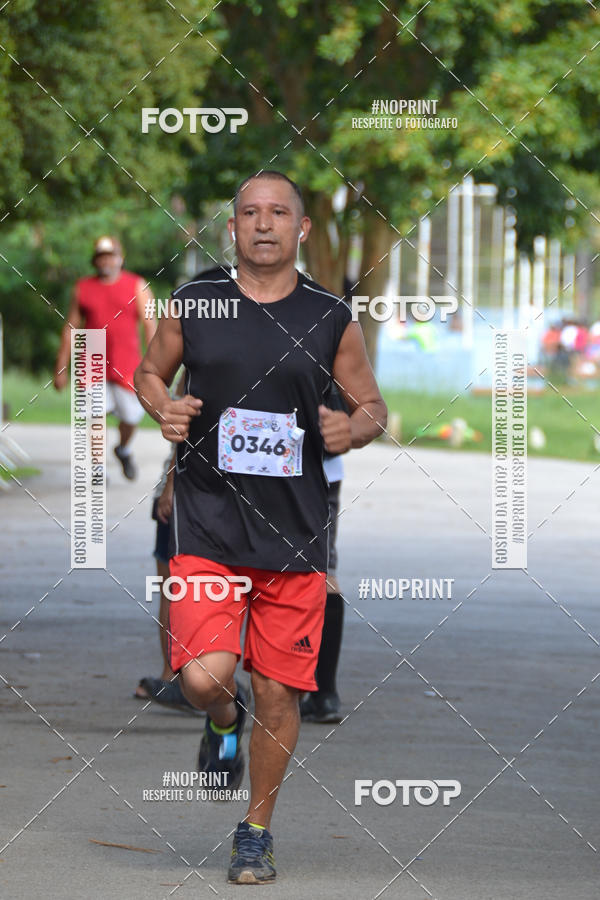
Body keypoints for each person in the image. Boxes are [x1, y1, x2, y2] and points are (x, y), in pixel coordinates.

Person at [134, 170, 387, 884]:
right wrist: (163, 406)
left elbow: (373, 406)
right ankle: (221, 721)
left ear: (302, 229)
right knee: (201, 678)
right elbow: (149, 373)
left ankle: (255, 830)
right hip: (208, 524)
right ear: (233, 229)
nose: (265, 224)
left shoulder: (330, 315)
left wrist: (353, 428)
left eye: (279, 213)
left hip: (294, 533)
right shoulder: (196, 302)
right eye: (251, 213)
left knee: (279, 692)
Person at [53, 235, 156, 479]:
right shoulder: (82, 288)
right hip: (92, 359)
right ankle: (98, 467)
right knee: (95, 414)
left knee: (131, 416)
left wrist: (154, 365)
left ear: (120, 259)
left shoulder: (137, 286)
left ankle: (123, 448)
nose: (106, 262)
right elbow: (70, 327)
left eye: (110, 256)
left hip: (127, 362)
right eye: (101, 257)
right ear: (95, 261)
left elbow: (150, 325)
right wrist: (61, 367)